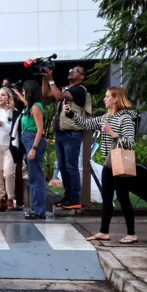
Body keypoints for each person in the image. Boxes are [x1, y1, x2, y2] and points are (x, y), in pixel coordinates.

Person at [66, 87, 138, 244]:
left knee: (123, 197)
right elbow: (87, 124)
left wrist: (112, 133)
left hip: (119, 162)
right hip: (109, 160)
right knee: (107, 198)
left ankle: (131, 234)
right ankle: (103, 231)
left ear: (116, 99)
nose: (104, 99)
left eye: (107, 97)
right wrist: (71, 114)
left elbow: (129, 142)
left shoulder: (125, 118)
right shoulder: (106, 117)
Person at [43, 66, 91, 211]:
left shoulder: (79, 89)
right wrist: (45, 78)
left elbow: (58, 97)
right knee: (63, 167)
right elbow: (45, 93)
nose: (71, 71)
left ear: (82, 77)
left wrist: (51, 79)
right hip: (61, 133)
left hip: (72, 133)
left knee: (71, 166)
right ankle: (68, 197)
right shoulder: (65, 89)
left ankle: (75, 198)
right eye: (70, 70)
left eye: (75, 70)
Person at [18, 81, 47, 219]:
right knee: (34, 177)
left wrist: (34, 148)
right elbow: (24, 102)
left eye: (24, 91)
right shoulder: (31, 106)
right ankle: (37, 209)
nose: (23, 93)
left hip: (33, 141)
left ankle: (39, 210)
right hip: (28, 140)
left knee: (36, 179)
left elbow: (40, 129)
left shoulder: (36, 107)